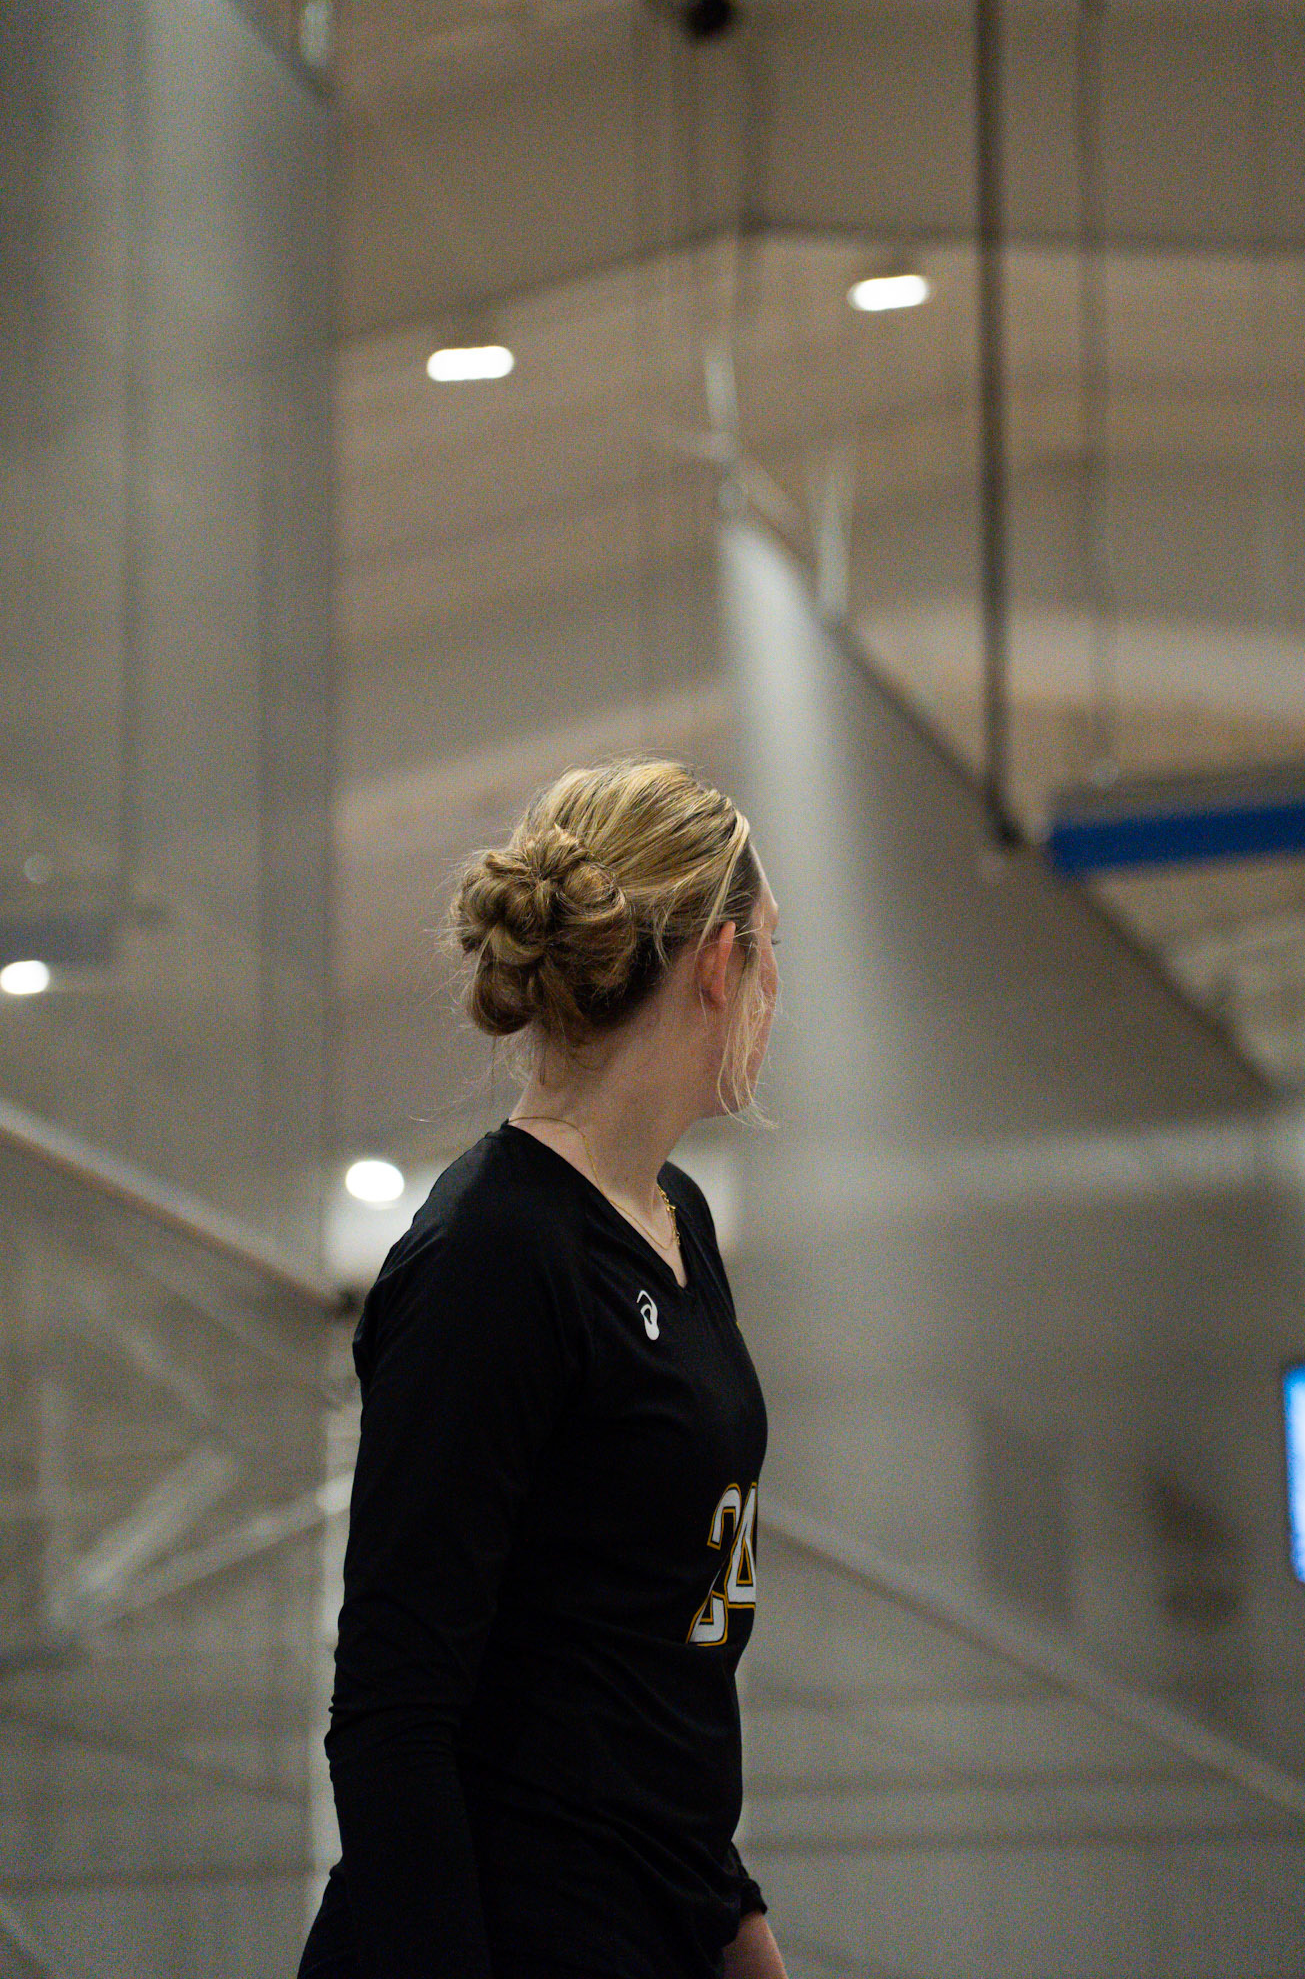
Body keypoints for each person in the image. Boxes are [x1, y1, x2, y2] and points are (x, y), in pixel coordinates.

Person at [299, 756, 787, 1979]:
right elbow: (391, 1715)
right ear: (720, 963)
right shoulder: (493, 1255)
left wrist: (736, 1919)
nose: (777, 989)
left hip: (658, 1918)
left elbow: (650, 1663)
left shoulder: (676, 1218)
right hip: (511, 1931)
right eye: (773, 948)